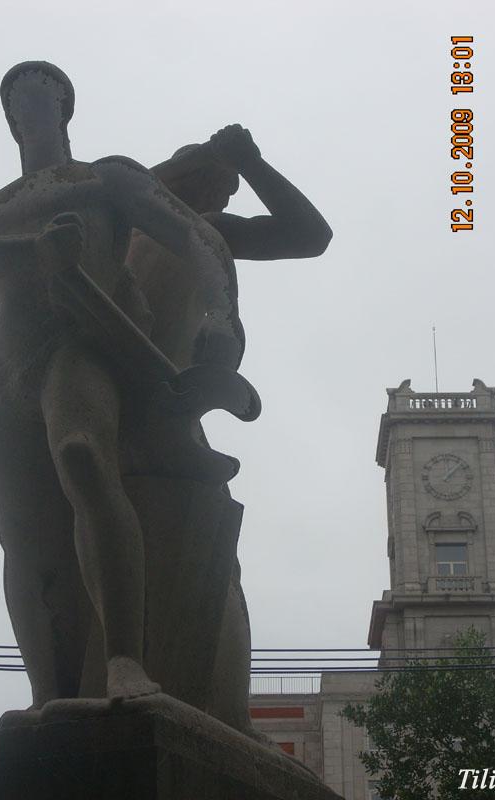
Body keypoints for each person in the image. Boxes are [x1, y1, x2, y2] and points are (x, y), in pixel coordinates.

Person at [0, 61, 246, 706]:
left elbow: (196, 234)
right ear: (9, 116)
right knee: (20, 531)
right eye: (18, 96)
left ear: (65, 106)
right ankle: (49, 693)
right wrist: (34, 250)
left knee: (83, 459)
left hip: (82, 346)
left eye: (44, 91)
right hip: (5, 368)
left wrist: (220, 312)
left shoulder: (108, 178)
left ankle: (125, 662)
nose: (31, 103)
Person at [126, 126, 332, 735]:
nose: (215, 198)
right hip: (111, 400)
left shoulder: (209, 237)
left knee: (209, 557)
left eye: (223, 190)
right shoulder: (122, 223)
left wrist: (254, 163)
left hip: (172, 412)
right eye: (206, 184)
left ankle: (224, 713)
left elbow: (309, 235)